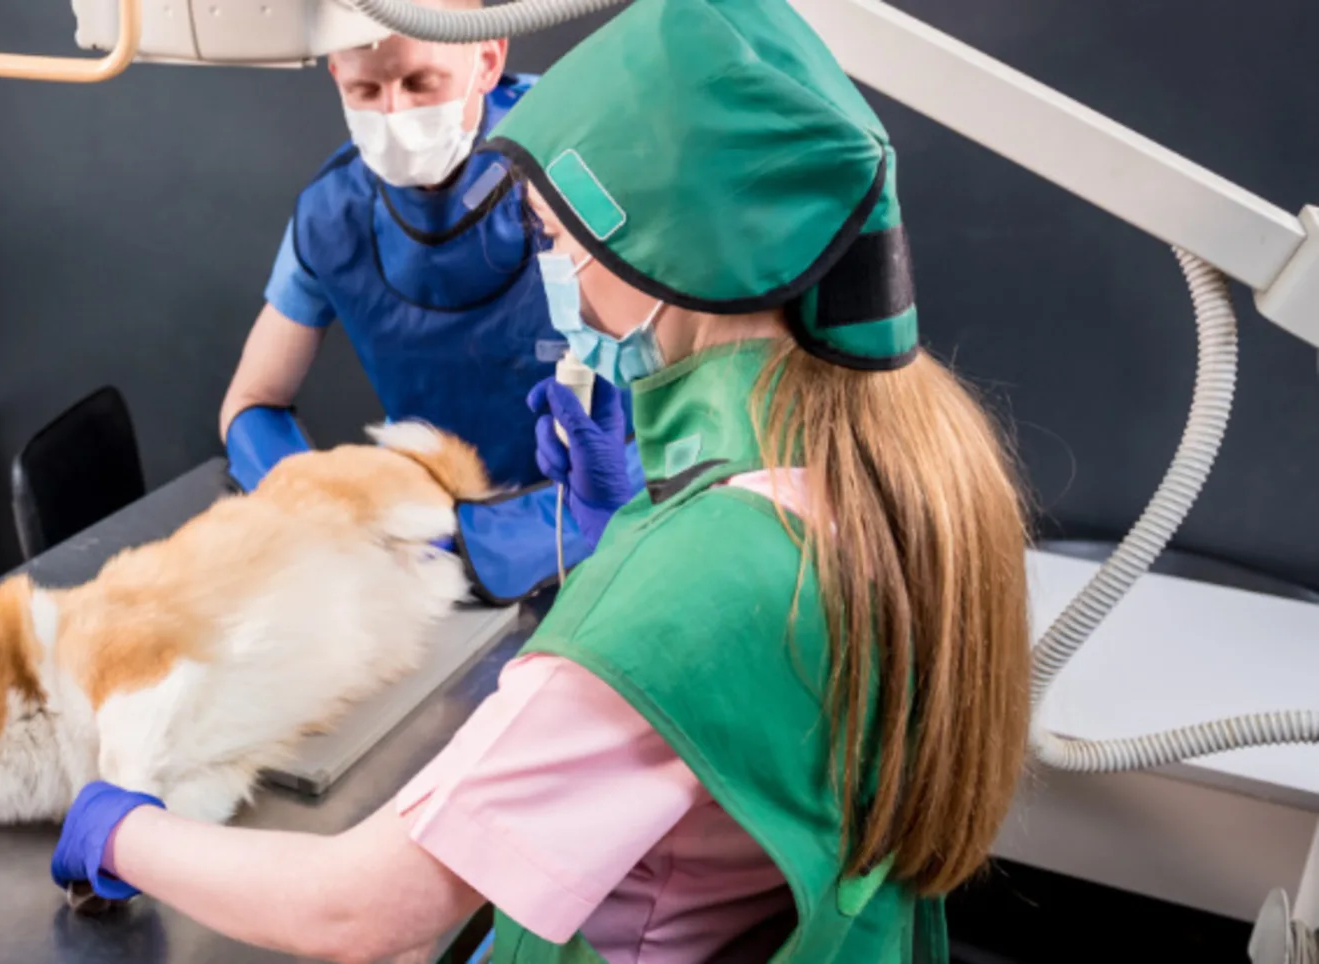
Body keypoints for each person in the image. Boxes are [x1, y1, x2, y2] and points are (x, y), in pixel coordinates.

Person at [52, 0, 1034, 960]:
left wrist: (117, 829)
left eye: (559, 243)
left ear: (650, 246)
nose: (557, 272)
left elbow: (361, 910)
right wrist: (626, 518)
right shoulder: (915, 464)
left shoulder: (694, 583)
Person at [218, 0, 635, 603]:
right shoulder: (332, 215)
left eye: (420, 82)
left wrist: (525, 531)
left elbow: (704, 398)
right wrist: (320, 510)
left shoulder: (579, 159)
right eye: (366, 88)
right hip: (428, 552)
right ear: (335, 74)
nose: (394, 113)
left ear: (487, 59)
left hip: (607, 529)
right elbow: (252, 402)